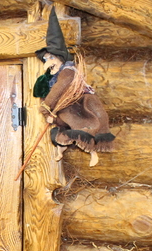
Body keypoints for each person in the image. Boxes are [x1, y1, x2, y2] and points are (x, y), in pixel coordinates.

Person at [34, 9, 115, 158]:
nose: (48, 62)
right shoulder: (53, 76)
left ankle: (91, 149)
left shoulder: (68, 72)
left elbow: (60, 87)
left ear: (60, 58)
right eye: (45, 59)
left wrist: (46, 106)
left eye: (51, 58)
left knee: (83, 125)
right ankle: (62, 149)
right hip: (68, 108)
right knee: (62, 128)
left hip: (80, 105)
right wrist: (52, 116)